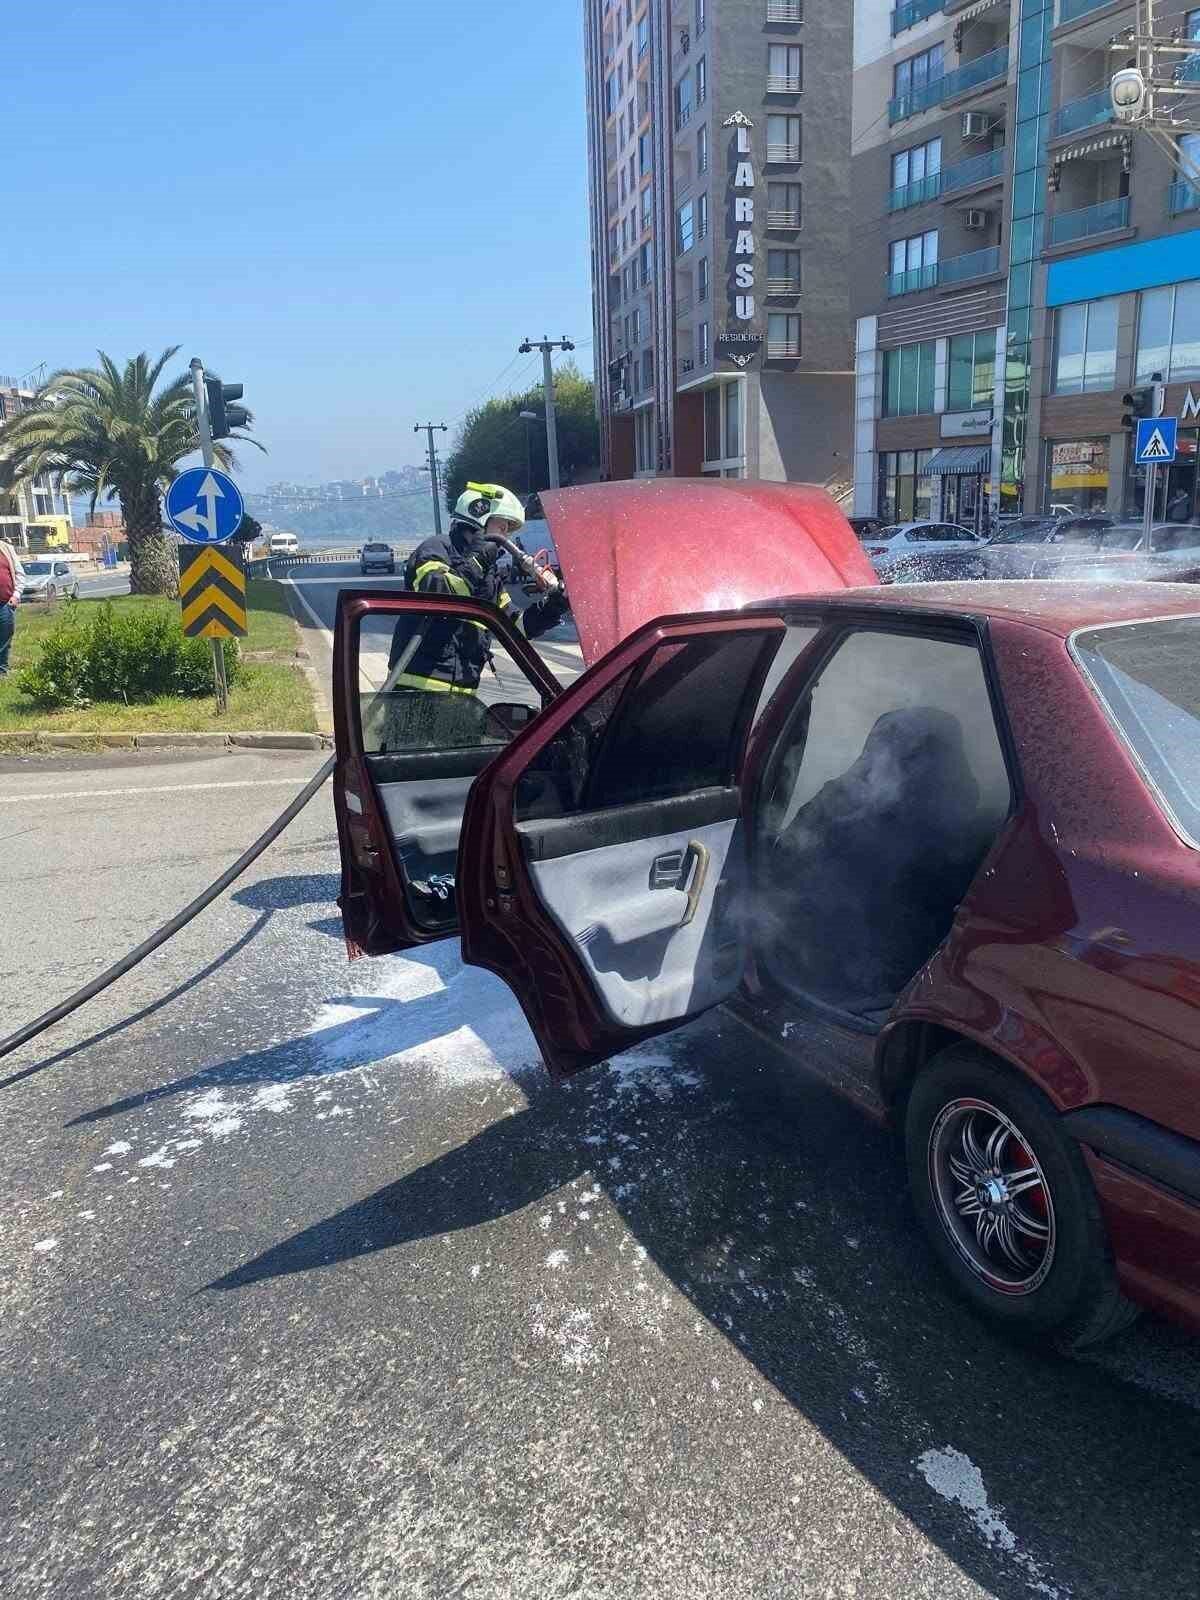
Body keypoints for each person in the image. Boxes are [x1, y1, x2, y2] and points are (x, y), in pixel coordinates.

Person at [386, 482, 568, 694]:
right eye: (502, 527)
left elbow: (515, 628)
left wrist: (554, 606)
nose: (506, 535)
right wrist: (478, 560)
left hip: (463, 694)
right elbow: (439, 595)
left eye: (509, 529)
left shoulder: (488, 576)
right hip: (416, 688)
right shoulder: (437, 549)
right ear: (479, 516)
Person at [0, 534, 26, 677]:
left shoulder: (6, 549)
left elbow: (20, 574)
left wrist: (16, 595)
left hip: (5, 603)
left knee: (4, 637)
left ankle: (2, 671)